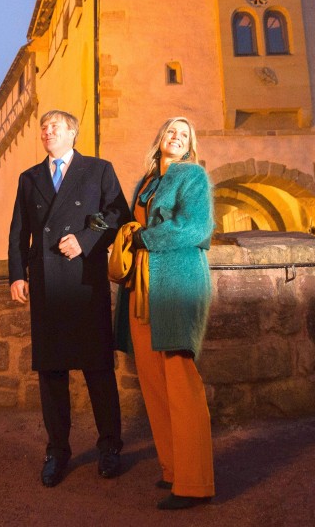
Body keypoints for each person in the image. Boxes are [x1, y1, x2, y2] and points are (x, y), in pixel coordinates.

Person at [8, 109, 130, 487]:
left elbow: (116, 215)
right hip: (46, 281)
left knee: (97, 369)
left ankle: (110, 446)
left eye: (54, 125)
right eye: (43, 127)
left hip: (84, 280)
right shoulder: (29, 178)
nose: (47, 130)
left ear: (72, 133)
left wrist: (84, 237)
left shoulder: (98, 170)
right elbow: (19, 232)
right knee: (51, 372)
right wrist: (16, 274)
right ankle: (57, 451)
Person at [111, 116, 215, 510]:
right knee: (153, 382)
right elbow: (132, 223)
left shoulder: (193, 176)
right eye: (171, 130)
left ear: (190, 145)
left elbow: (196, 228)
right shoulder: (146, 182)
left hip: (176, 282)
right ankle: (173, 469)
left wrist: (144, 236)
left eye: (184, 134)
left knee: (180, 378)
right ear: (160, 138)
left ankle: (195, 483)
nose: (176, 137)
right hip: (141, 289)